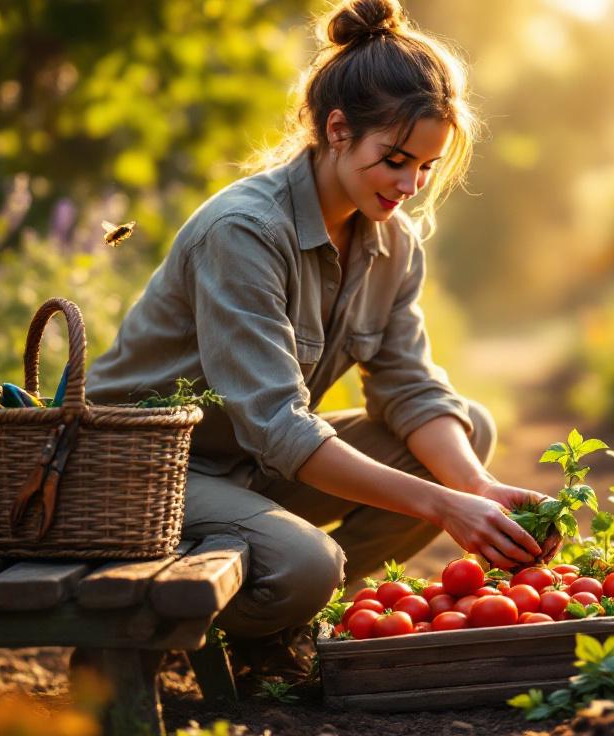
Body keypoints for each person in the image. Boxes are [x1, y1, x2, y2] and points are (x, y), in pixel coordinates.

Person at [85, 0, 549, 681]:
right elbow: (278, 425)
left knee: (463, 432)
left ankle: (272, 620)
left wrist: (474, 485)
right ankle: (150, 632)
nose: (410, 185)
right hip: (146, 471)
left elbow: (409, 386)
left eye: (425, 166)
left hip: (247, 464)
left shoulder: (391, 243)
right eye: (394, 160)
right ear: (337, 130)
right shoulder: (244, 232)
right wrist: (444, 505)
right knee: (309, 565)